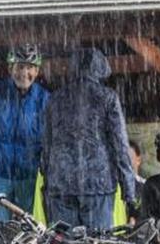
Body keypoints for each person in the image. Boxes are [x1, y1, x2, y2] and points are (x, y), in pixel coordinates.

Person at [40, 47, 137, 231]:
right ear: (101, 68)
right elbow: (120, 146)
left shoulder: (56, 99)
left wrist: (49, 178)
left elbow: (46, 144)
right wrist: (129, 191)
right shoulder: (108, 98)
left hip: (61, 185)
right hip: (98, 186)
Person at [0, 44, 50, 226]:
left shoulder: (45, 99)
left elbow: (50, 141)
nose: (24, 73)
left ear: (37, 71)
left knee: (29, 235)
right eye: (20, 66)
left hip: (29, 176)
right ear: (10, 68)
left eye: (30, 67)